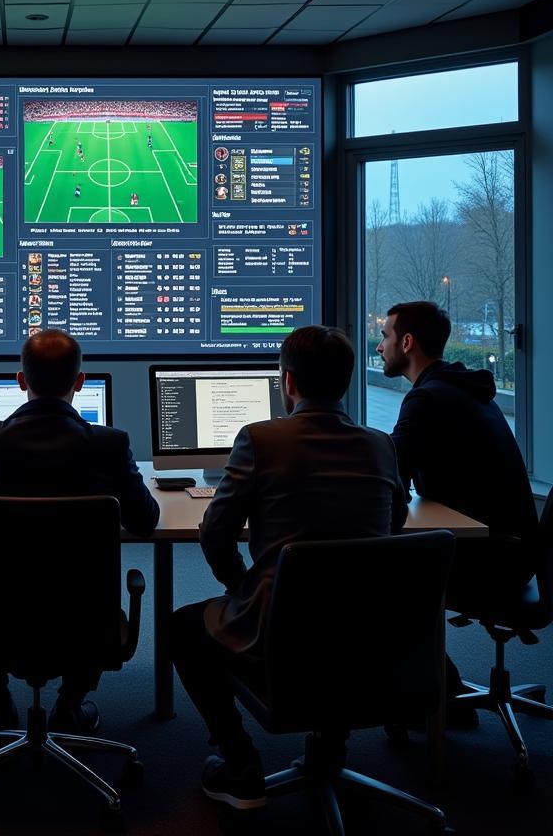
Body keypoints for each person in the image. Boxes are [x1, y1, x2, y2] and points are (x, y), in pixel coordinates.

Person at [171, 326, 405, 811]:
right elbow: (395, 524)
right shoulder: (382, 445)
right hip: (372, 628)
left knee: (182, 628)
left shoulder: (261, 439)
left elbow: (215, 532)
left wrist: (242, 587)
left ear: (289, 383)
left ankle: (240, 765)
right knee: (338, 617)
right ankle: (329, 748)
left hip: (282, 628)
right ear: (345, 382)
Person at [0, 329, 159, 735]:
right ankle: (70, 706)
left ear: (21, 381)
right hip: (85, 623)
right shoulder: (109, 445)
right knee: (87, 603)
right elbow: (145, 521)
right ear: (80, 383)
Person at [376, 300, 538, 720]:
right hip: (512, 550)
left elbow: (392, 475)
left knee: (370, 572)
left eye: (386, 336)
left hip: (488, 558)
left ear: (407, 342)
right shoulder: (465, 389)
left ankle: (439, 697)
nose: (380, 346)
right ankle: (442, 690)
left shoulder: (428, 399)